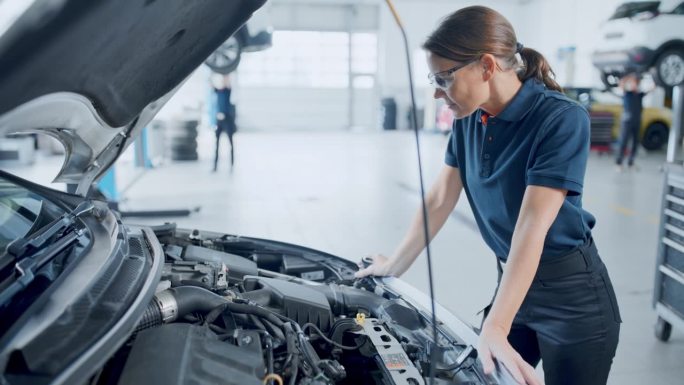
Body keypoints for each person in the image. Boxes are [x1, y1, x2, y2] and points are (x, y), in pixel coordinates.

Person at [355, 6, 620, 385]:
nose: (436, 93)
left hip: (573, 300)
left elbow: (532, 225)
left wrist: (496, 324)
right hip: (513, 283)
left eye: (443, 78)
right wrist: (394, 265)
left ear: (486, 66)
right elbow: (440, 198)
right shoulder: (468, 118)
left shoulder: (561, 119)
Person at [615, 72, 650, 171]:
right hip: (627, 122)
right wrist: (629, 77)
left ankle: (631, 163)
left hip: (637, 121)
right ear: (631, 84)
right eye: (634, 83)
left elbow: (652, 88)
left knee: (635, 143)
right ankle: (618, 163)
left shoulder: (639, 95)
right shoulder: (627, 93)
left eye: (637, 83)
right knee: (623, 142)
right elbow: (621, 84)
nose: (636, 85)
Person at [212, 74, 237, 171]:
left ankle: (231, 166)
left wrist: (226, 74)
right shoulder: (218, 91)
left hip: (227, 121)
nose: (223, 82)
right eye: (222, 80)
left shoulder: (227, 91)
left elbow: (228, 84)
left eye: (224, 80)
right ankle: (215, 166)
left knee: (231, 144)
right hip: (219, 121)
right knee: (216, 144)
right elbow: (211, 84)